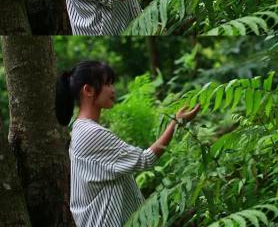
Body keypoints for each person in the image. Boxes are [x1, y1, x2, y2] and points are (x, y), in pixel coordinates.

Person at [55, 61, 200, 227]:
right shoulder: (91, 133)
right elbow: (146, 159)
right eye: (107, 84)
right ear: (88, 90)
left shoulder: (81, 128)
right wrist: (176, 122)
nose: (113, 90)